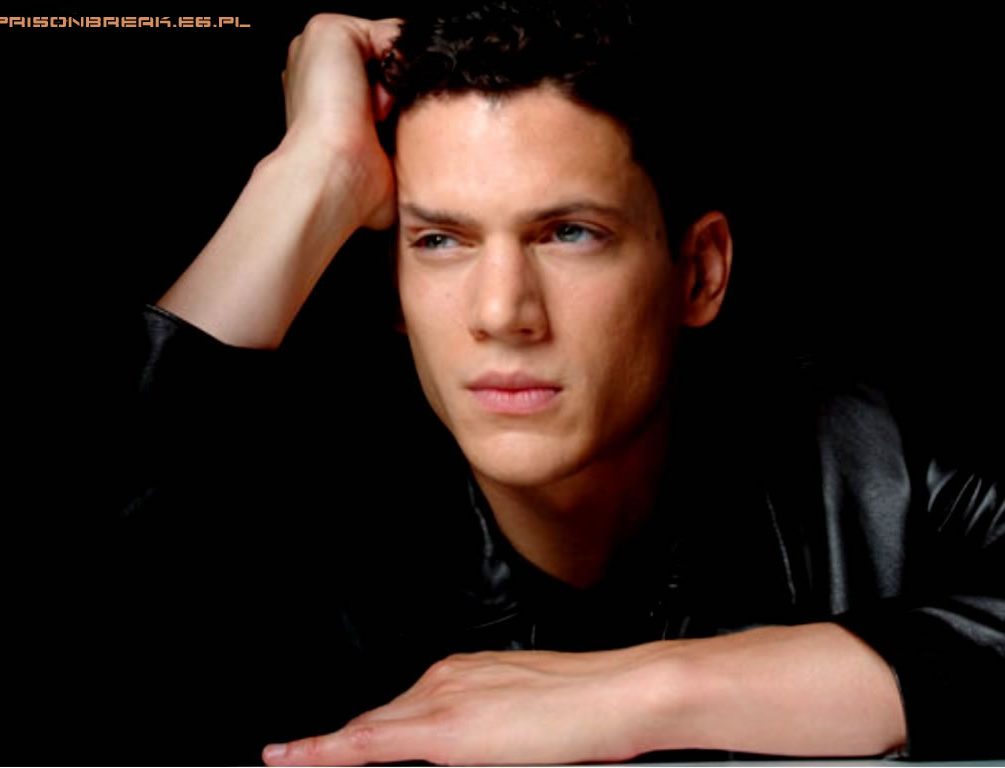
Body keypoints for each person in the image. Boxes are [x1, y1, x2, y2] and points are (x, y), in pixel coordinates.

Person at [122, 2, 1002, 764]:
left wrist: (648, 692)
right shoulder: (315, 516)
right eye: (441, 241)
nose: (502, 312)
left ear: (697, 273)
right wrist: (310, 173)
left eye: (569, 233)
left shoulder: (868, 459)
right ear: (394, 289)